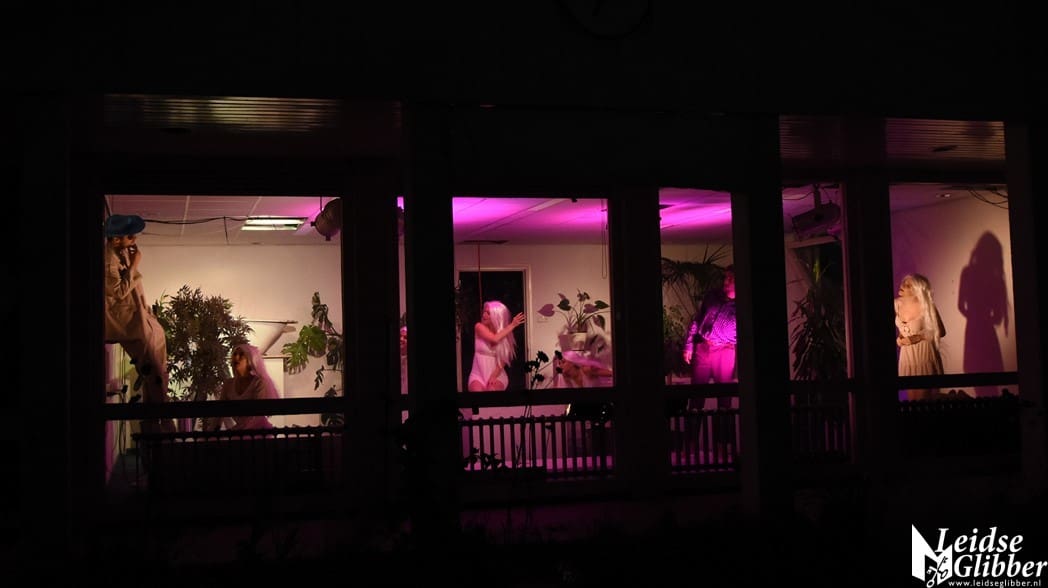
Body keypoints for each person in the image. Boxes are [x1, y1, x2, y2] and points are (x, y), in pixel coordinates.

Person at [104, 214, 175, 433]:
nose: (134, 239)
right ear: (116, 239)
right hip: (126, 321)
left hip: (137, 315)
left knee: (156, 362)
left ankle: (157, 419)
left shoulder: (120, 253)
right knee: (152, 366)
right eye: (130, 236)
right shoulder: (108, 260)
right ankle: (161, 421)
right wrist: (135, 265)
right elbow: (118, 292)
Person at [683, 265, 737, 403]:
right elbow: (697, 320)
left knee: (724, 396)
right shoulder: (713, 295)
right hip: (704, 347)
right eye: (726, 277)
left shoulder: (742, 305)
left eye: (730, 278)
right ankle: (694, 416)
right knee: (697, 394)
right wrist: (689, 345)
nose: (726, 281)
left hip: (725, 350)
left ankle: (724, 417)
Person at [205, 343, 280, 431]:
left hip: (258, 431)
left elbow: (258, 414)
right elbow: (220, 412)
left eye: (241, 355)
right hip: (240, 432)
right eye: (235, 354)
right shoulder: (228, 384)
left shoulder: (259, 382)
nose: (236, 358)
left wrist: (238, 430)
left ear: (250, 360)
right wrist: (212, 432)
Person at [895, 273, 946, 400]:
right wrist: (901, 337)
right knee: (912, 400)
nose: (902, 286)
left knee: (922, 399)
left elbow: (940, 331)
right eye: (903, 283)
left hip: (923, 355)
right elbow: (905, 328)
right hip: (908, 356)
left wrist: (917, 338)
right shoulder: (896, 304)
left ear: (917, 290)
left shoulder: (926, 305)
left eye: (908, 285)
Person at [467, 300, 526, 392]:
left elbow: (503, 361)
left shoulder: (504, 334)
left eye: (488, 313)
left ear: (496, 316)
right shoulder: (479, 327)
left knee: (491, 390)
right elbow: (494, 339)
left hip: (497, 375)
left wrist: (493, 376)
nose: (484, 315)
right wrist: (512, 325)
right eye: (484, 312)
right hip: (478, 375)